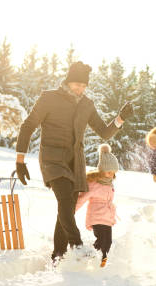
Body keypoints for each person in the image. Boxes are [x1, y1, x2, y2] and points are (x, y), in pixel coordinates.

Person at [15, 61, 133, 262]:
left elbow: (104, 132)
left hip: (75, 162)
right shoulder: (49, 98)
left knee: (67, 209)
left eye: (84, 85)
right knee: (65, 200)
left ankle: (58, 256)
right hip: (52, 159)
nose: (80, 89)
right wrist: (20, 160)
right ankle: (76, 244)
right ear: (68, 82)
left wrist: (120, 119)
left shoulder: (86, 104)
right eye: (77, 84)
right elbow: (28, 126)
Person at [75, 144, 119, 268]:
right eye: (108, 171)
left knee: (108, 241)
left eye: (113, 172)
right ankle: (89, 257)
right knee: (101, 240)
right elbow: (82, 198)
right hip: (96, 216)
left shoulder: (110, 183)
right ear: (102, 170)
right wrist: (71, 211)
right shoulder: (94, 183)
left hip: (107, 218)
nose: (110, 174)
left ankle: (102, 258)